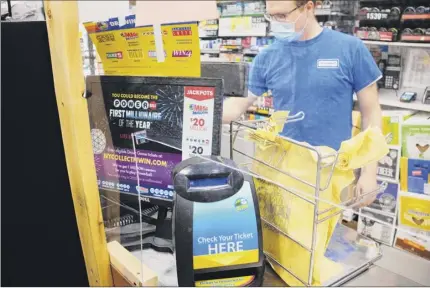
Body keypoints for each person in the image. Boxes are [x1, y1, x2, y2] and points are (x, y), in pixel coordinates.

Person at [222, 0, 382, 206]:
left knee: (327, 235)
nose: (276, 23)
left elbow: (371, 113)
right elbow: (237, 105)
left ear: (309, 7)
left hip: (332, 174)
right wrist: (198, 112)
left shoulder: (350, 49)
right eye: (271, 16)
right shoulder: (268, 56)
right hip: (282, 173)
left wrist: (370, 172)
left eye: (282, 16)